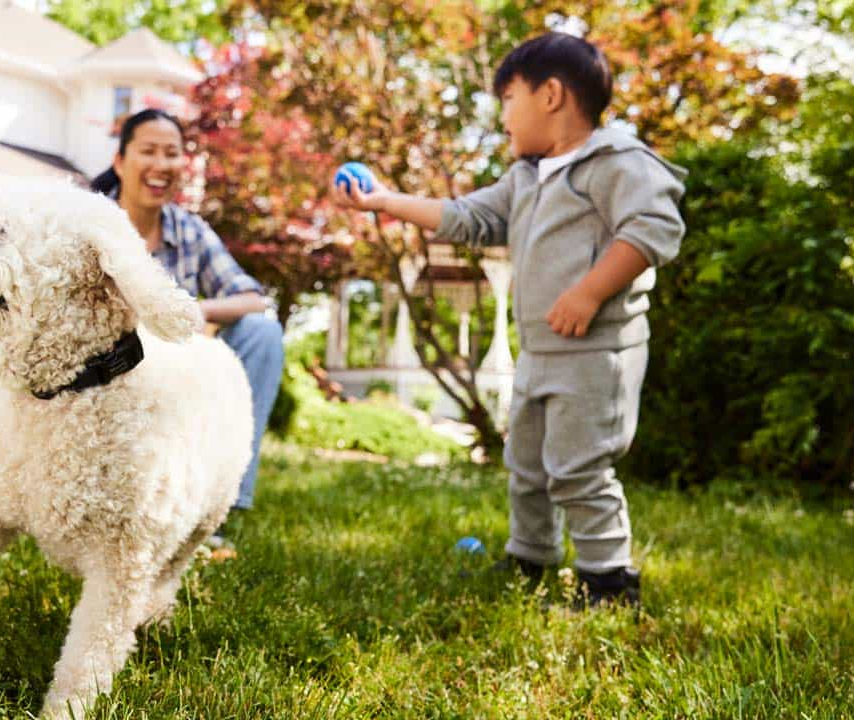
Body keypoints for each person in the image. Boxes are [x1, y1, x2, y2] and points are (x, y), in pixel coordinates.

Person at [333, 33, 687, 607]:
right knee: (525, 464)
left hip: (598, 353)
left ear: (550, 95)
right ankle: (532, 558)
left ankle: (609, 581)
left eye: (507, 100)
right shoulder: (527, 177)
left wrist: (589, 294)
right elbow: (466, 217)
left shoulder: (618, 163)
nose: (502, 118)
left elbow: (652, 231)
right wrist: (383, 201)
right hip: (539, 353)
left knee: (578, 468)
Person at [91, 108, 284, 549]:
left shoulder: (189, 230)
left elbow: (253, 298)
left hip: (177, 379)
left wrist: (187, 313)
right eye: (149, 152)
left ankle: (226, 496)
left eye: (172, 154)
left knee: (262, 332)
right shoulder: (91, 225)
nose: (162, 165)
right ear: (120, 162)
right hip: (106, 376)